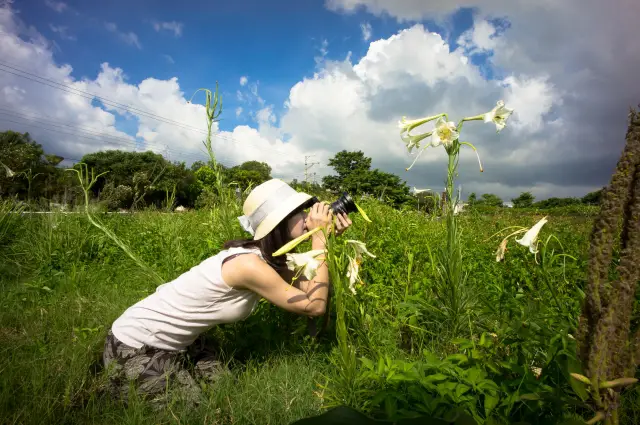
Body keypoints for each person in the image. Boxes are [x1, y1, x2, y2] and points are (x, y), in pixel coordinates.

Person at [102, 178, 352, 402]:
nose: (309, 217)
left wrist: (324, 241)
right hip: (135, 343)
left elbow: (312, 289)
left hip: (183, 342)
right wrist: (319, 240)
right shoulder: (248, 265)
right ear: (281, 222)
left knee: (225, 392)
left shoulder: (269, 258)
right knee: (195, 411)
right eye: (301, 212)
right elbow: (315, 306)